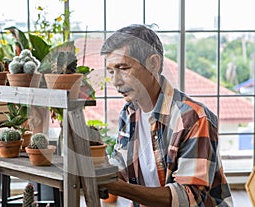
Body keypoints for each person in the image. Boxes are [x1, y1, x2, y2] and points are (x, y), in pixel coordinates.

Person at [100, 24, 233, 207]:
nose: (116, 81)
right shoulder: (130, 112)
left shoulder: (194, 118)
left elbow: (189, 198)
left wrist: (119, 187)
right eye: (111, 72)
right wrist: (95, 167)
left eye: (124, 68)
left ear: (153, 64)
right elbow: (122, 167)